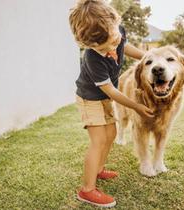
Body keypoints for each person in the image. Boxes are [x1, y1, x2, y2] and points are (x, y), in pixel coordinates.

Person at [69, 0, 154, 207]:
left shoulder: (117, 32)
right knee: (98, 140)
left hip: (103, 97)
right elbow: (112, 91)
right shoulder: (92, 58)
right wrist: (135, 106)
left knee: (112, 134)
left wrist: (147, 56)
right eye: (105, 47)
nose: (113, 47)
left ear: (116, 23)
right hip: (90, 98)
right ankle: (87, 190)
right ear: (89, 45)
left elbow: (126, 45)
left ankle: (98, 170)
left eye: (114, 40)